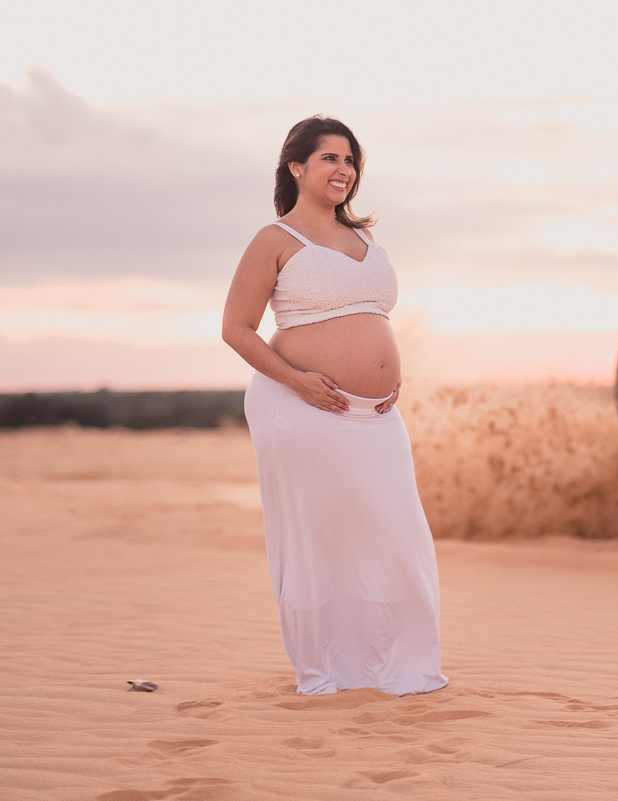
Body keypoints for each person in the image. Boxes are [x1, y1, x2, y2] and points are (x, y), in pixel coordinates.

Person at [222, 116, 447, 696]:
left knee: (395, 532)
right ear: (296, 167)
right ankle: (328, 670)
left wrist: (385, 375)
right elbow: (237, 329)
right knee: (320, 538)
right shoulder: (275, 240)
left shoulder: (368, 239)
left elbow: (370, 321)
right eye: (329, 158)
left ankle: (400, 664)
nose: (343, 170)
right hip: (301, 411)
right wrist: (298, 382)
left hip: (375, 417)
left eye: (350, 160)